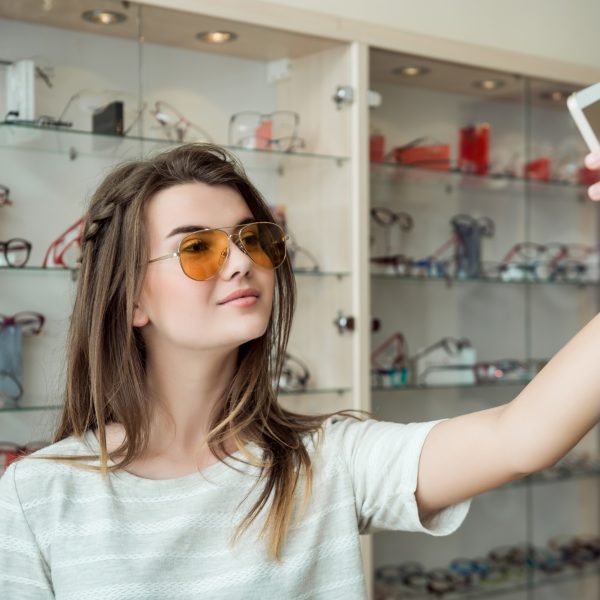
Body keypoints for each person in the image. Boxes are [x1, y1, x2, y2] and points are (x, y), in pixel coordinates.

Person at [1, 143, 600, 600]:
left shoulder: (326, 460)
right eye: (198, 248)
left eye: (253, 239)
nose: (240, 263)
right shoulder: (41, 493)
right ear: (131, 299)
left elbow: (523, 437)